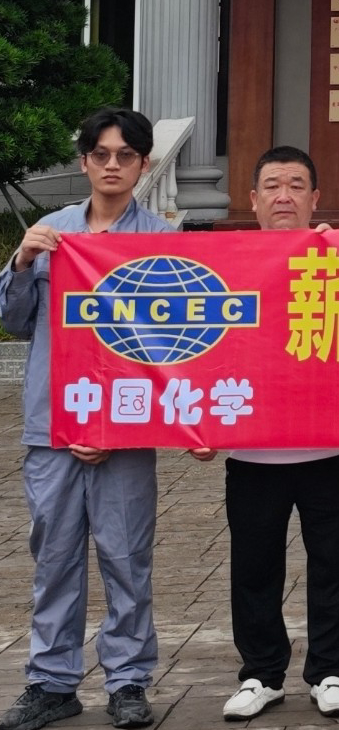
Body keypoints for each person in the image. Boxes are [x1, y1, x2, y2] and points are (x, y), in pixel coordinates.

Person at [0, 108, 169, 730]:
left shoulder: (162, 242)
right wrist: (21, 263)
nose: (112, 165)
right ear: (84, 162)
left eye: (125, 155)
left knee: (126, 557)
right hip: (53, 428)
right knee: (54, 559)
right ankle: (51, 682)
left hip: (127, 428)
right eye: (101, 154)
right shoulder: (50, 233)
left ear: (143, 164)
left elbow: (175, 346)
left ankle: (127, 681)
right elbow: (15, 321)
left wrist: (121, 426)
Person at [190, 147, 339, 721]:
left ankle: (330, 672)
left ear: (315, 198)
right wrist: (197, 422)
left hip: (331, 446)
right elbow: (204, 350)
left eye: (295, 185)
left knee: (332, 563)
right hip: (253, 451)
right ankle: (261, 674)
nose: (283, 196)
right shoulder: (225, 266)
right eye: (272, 185)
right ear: (253, 199)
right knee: (253, 568)